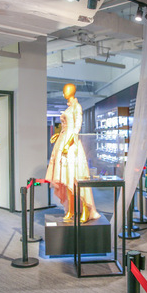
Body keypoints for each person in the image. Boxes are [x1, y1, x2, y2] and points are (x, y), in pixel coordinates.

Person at [45, 83, 101, 223]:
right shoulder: (69, 108)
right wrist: (58, 135)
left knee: (75, 177)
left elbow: (76, 128)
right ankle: (70, 209)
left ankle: (86, 209)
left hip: (71, 145)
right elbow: (66, 127)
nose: (64, 92)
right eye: (64, 90)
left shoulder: (77, 107)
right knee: (66, 178)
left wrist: (68, 143)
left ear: (72, 91)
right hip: (63, 141)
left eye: (67, 90)